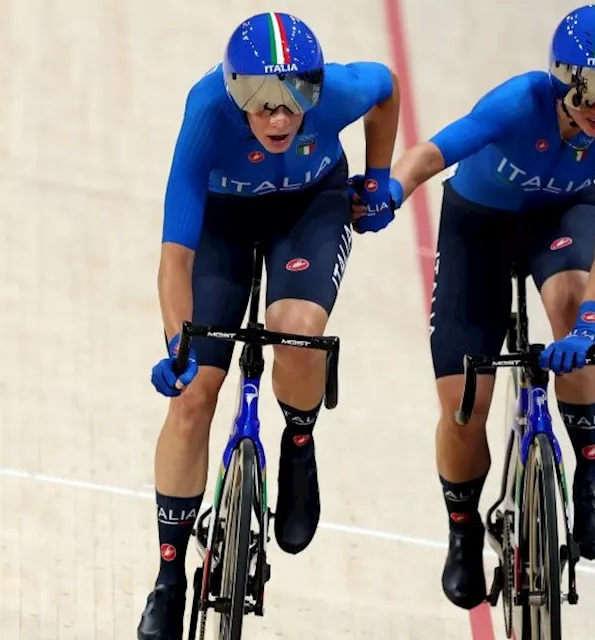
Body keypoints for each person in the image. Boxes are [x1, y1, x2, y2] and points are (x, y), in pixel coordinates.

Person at [371, 3, 595, 610]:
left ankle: (592, 477)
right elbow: (432, 152)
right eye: (591, 89)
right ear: (560, 78)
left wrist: (590, 326)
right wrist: (393, 188)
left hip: (560, 214)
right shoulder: (518, 102)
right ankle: (464, 526)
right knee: (464, 407)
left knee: (577, 307)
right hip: (481, 225)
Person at [138, 11, 402, 639]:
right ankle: (169, 577)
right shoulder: (205, 112)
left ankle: (299, 445)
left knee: (298, 328)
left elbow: (387, 84)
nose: (281, 118)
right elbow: (175, 258)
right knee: (195, 394)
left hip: (308, 210)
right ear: (236, 95)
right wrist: (178, 345)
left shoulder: (338, 93)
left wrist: (382, 173)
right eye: (263, 104)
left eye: (295, 101)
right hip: (225, 224)